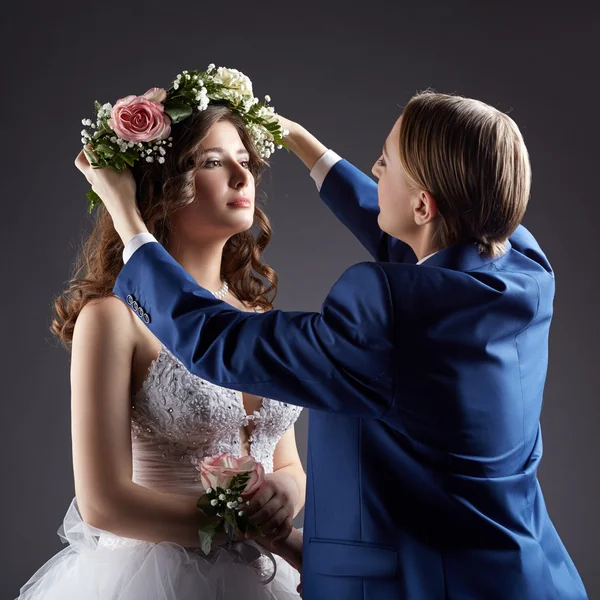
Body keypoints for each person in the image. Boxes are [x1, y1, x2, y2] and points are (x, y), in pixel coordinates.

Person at [79, 91, 588, 600]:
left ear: (422, 203)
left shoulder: (384, 305)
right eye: (214, 161)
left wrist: (129, 221)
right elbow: (439, 235)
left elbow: (215, 340)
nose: (373, 168)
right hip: (531, 575)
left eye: (385, 162)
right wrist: (303, 143)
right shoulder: (523, 269)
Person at [18, 104, 305, 600]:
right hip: (153, 578)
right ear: (161, 187)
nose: (242, 175)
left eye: (244, 159)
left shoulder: (257, 316)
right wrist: (241, 529)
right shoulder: (112, 318)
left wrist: (284, 494)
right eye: (212, 162)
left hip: (265, 575)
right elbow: (103, 502)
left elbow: (288, 465)